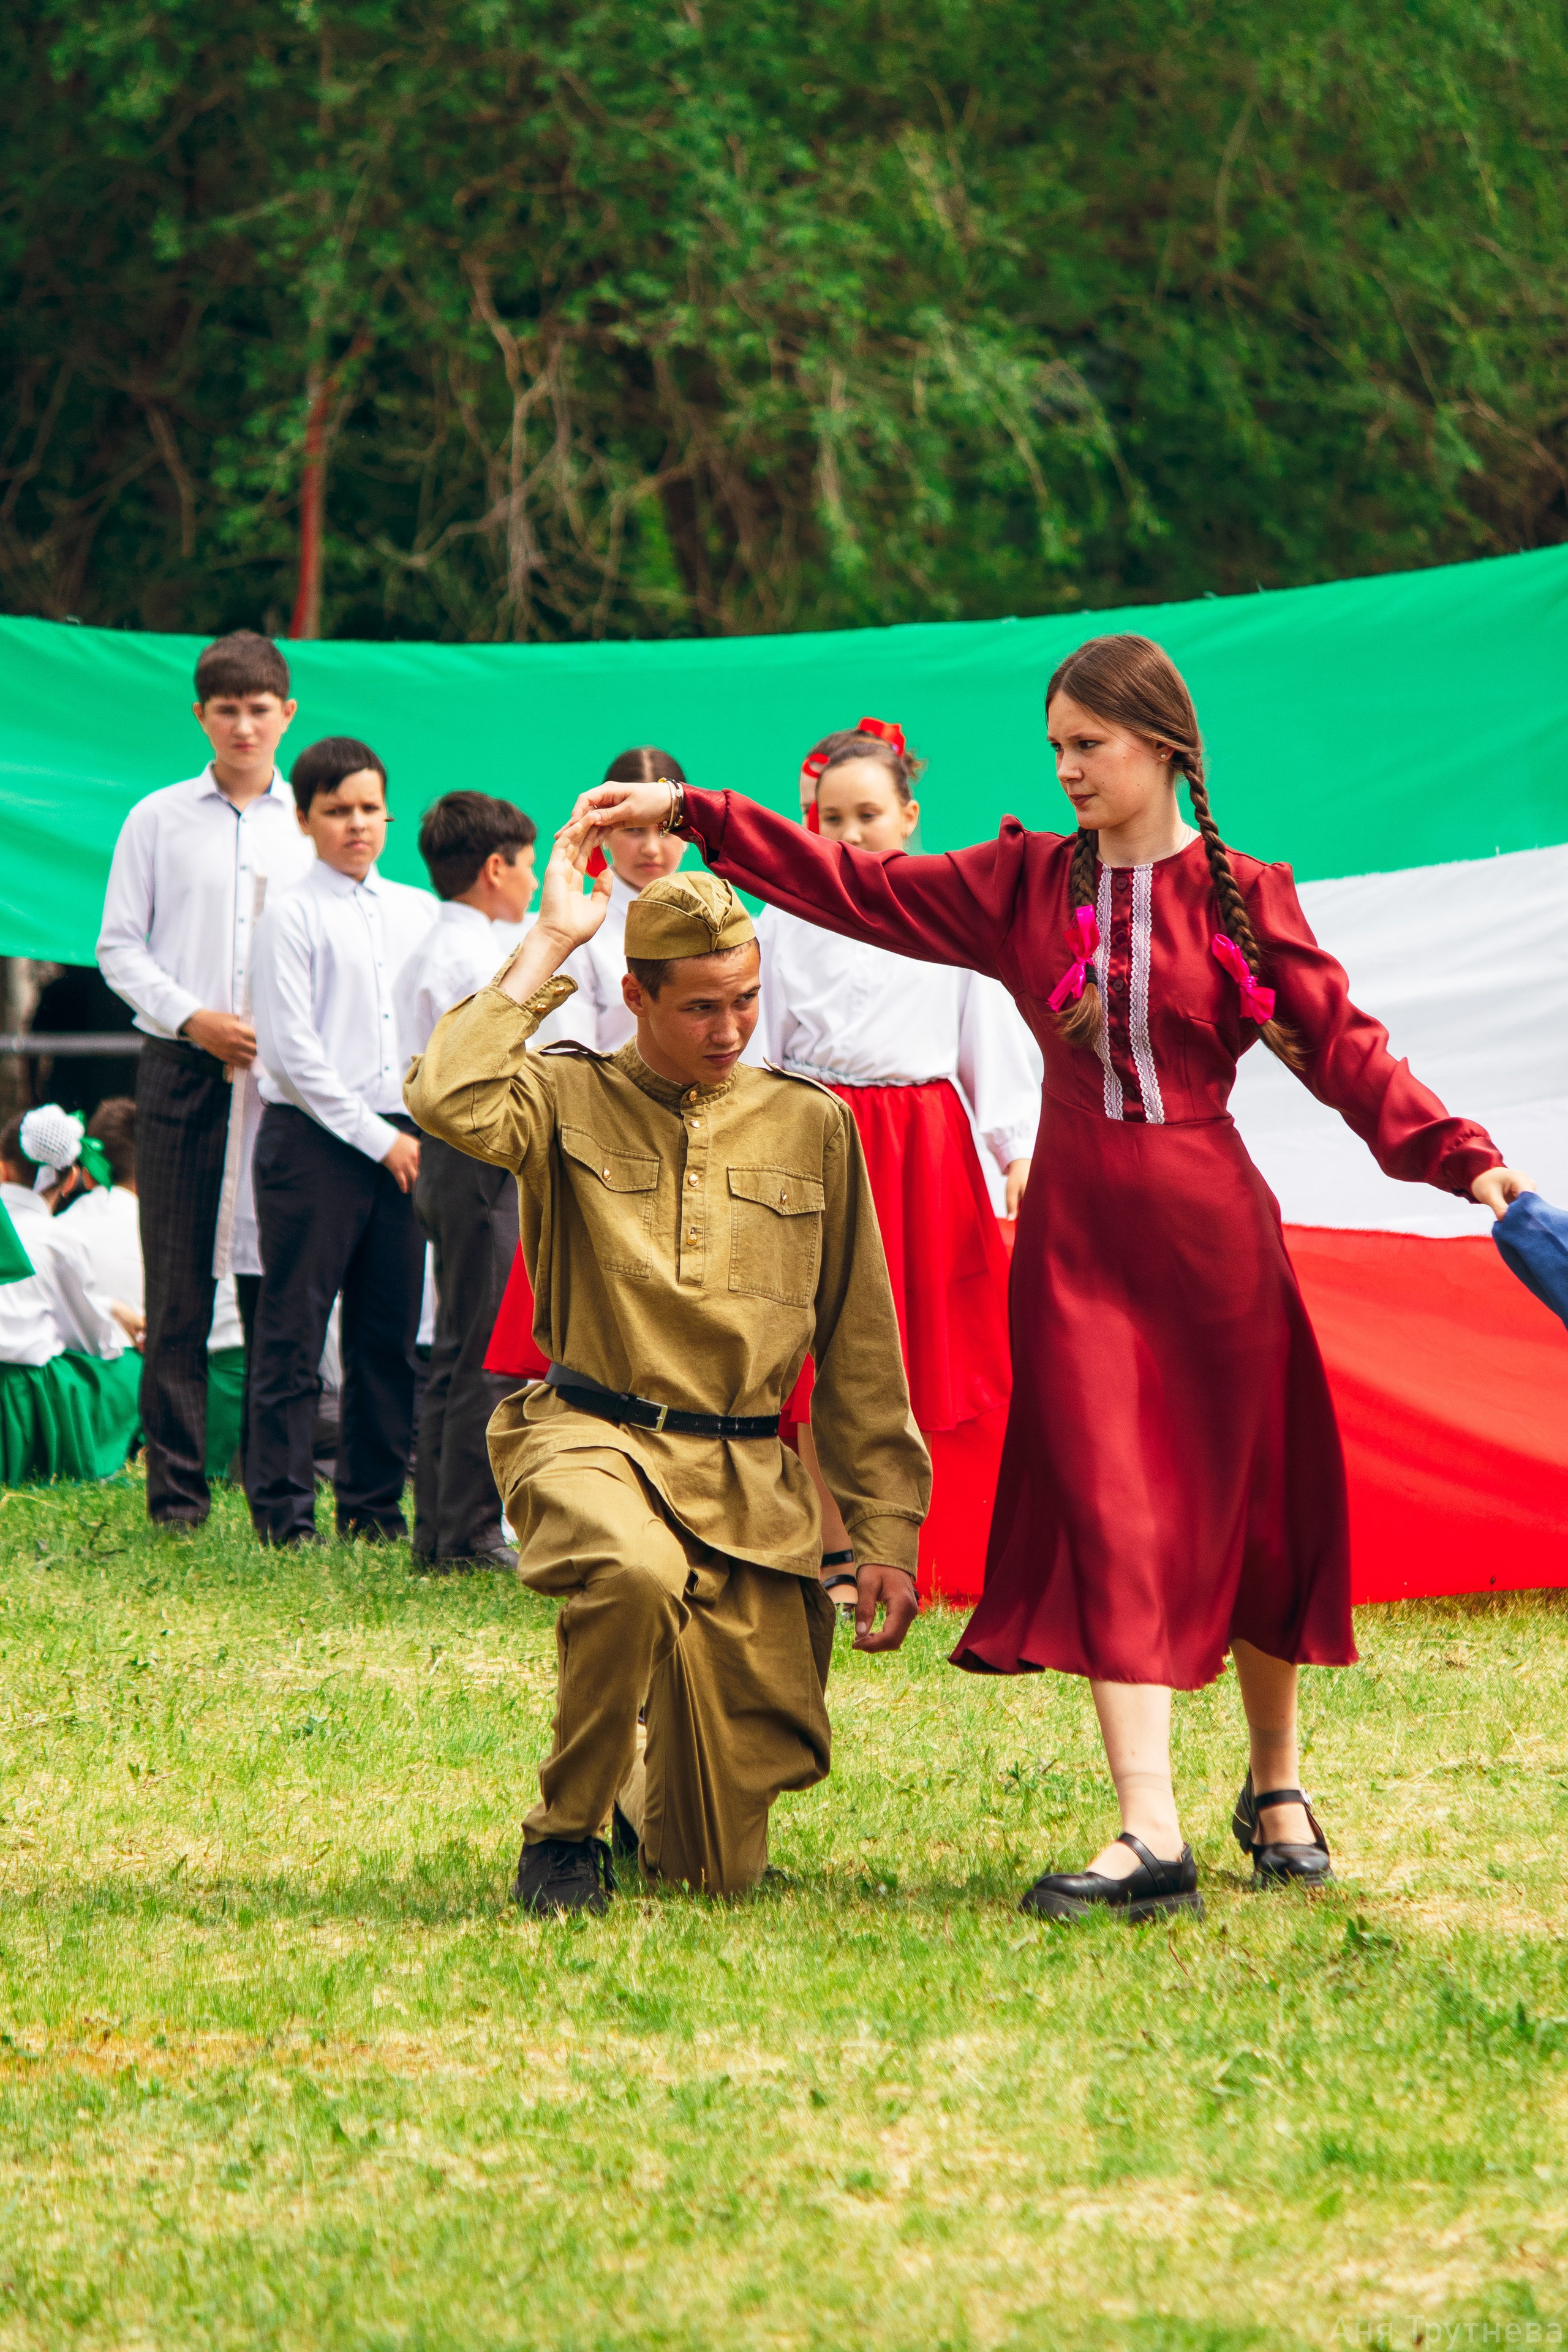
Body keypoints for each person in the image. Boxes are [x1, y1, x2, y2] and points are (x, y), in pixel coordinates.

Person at [564, 633, 1532, 1923]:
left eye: (1091, 746)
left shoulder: (1246, 894)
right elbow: (852, 890)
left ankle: (1274, 1781)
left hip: (1214, 1237)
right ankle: (1148, 1832)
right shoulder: (1021, 886)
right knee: (1107, 1505)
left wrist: (1470, 1166)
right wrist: (695, 813)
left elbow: (1348, 1055)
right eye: (1056, 748)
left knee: (1251, 1506)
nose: (1068, 769)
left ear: (1164, 749)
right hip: (1077, 1244)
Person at [404, 853, 930, 1915]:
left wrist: (886, 1532)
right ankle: (563, 1832)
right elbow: (446, 1096)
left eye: (745, 1000)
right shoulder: (561, 1093)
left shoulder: (811, 1122)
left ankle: (654, 1779)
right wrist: (551, 941)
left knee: (711, 1872)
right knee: (632, 1571)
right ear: (635, 995)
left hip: (746, 1481)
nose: (729, 1028)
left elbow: (861, 1342)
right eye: (699, 1008)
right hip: (591, 1435)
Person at [753, 722, 1041, 1605]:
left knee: (910, 1350)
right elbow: (759, 1043)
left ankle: (901, 1545)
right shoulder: (786, 915)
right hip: (818, 1137)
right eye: (831, 817)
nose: (847, 834)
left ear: (908, 816)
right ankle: (828, 1550)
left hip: (921, 1147)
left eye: (867, 814)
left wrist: (1017, 1151)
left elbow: (987, 1042)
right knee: (816, 1350)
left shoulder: (949, 913)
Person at [97, 630, 314, 1527]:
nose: (243, 726)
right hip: (183, 1065)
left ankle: (274, 1488)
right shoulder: (157, 817)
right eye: (226, 710)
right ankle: (177, 1494)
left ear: (286, 714)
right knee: (180, 1283)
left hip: (283, 1077)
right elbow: (118, 947)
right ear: (201, 716)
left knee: (279, 1284)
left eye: (259, 710)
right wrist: (197, 1018)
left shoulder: (311, 824)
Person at [246, 737, 438, 1547]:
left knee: (388, 1335)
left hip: (407, 1137)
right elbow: (290, 1053)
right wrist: (376, 1139)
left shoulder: (418, 911)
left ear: (387, 813)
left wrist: (412, 1132)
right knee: (295, 1332)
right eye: (337, 811)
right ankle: (285, 1516)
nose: (356, 824)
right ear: (303, 819)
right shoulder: (289, 912)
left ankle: (372, 1507)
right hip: (317, 1140)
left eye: (369, 808)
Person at [485, 744, 690, 1384]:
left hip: (701, 1144)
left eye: (665, 828)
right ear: (604, 830)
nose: (651, 847)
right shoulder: (582, 920)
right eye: (633, 830)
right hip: (611, 1146)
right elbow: (565, 1053)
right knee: (605, 1338)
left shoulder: (718, 909)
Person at [395, 790, 538, 1570]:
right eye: (528, 864)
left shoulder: (440, 943)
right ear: (495, 868)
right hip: (478, 1151)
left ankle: (443, 1530)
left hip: (450, 1155)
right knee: (483, 1348)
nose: (534, 879)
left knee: (457, 1345)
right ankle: (472, 1530)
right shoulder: (471, 954)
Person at [0, 1109, 142, 1483]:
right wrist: (121, 1330)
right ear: (71, 1178)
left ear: (2, 1169)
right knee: (129, 1367)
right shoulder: (56, 1239)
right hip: (20, 1394)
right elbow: (89, 1337)